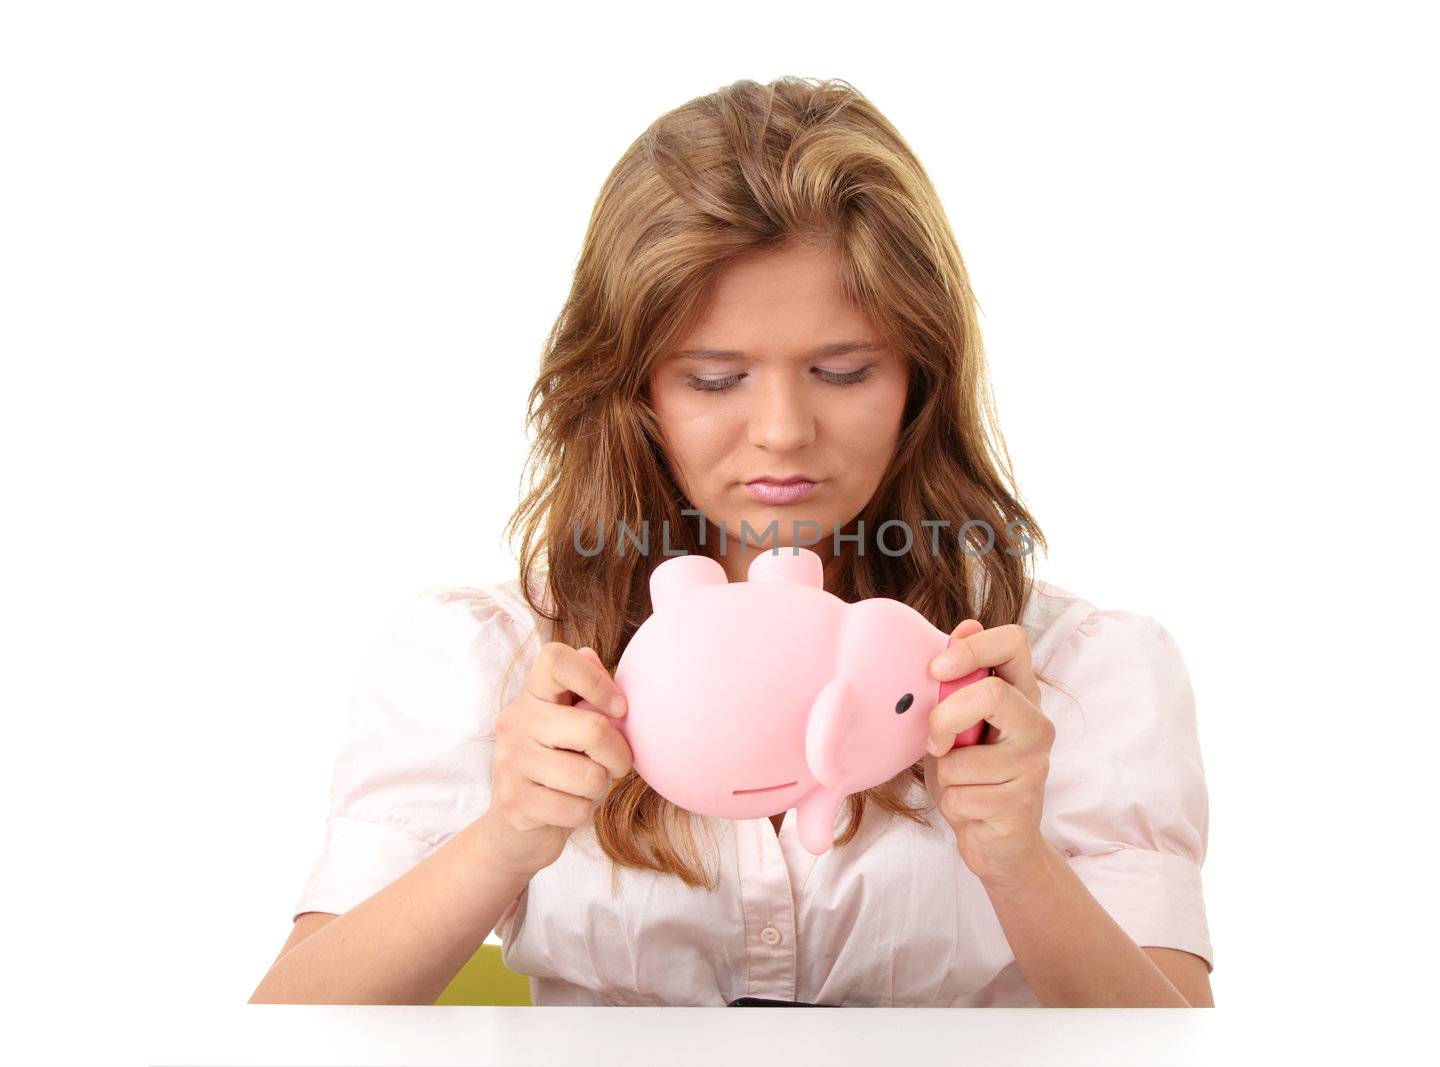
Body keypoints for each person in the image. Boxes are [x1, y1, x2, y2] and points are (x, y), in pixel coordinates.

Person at [249, 76, 1214, 1008]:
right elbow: (289, 1026)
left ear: (921, 378)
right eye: (714, 379)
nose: (784, 431)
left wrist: (1018, 860)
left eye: (843, 371)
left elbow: (1179, 1042)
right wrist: (506, 836)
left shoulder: (1073, 670)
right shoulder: (490, 654)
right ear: (631, 390)